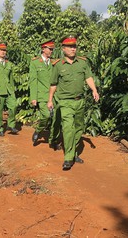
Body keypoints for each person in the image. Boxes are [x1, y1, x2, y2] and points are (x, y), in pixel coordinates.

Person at [47, 36, 100, 171]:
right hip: (65, 102)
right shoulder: (58, 65)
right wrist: (50, 100)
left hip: (80, 101)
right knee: (68, 128)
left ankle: (74, 152)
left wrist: (94, 90)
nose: (72, 49)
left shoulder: (82, 63)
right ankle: (68, 157)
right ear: (63, 49)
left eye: (74, 46)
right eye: (69, 47)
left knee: (79, 128)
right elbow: (53, 84)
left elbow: (88, 77)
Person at [29, 40, 61, 149]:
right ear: (43, 49)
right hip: (42, 95)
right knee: (46, 115)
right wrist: (33, 97)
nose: (52, 51)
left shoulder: (54, 63)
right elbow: (33, 81)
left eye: (52, 49)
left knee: (56, 119)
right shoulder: (35, 63)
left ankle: (53, 141)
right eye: (50, 49)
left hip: (55, 95)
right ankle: (39, 129)